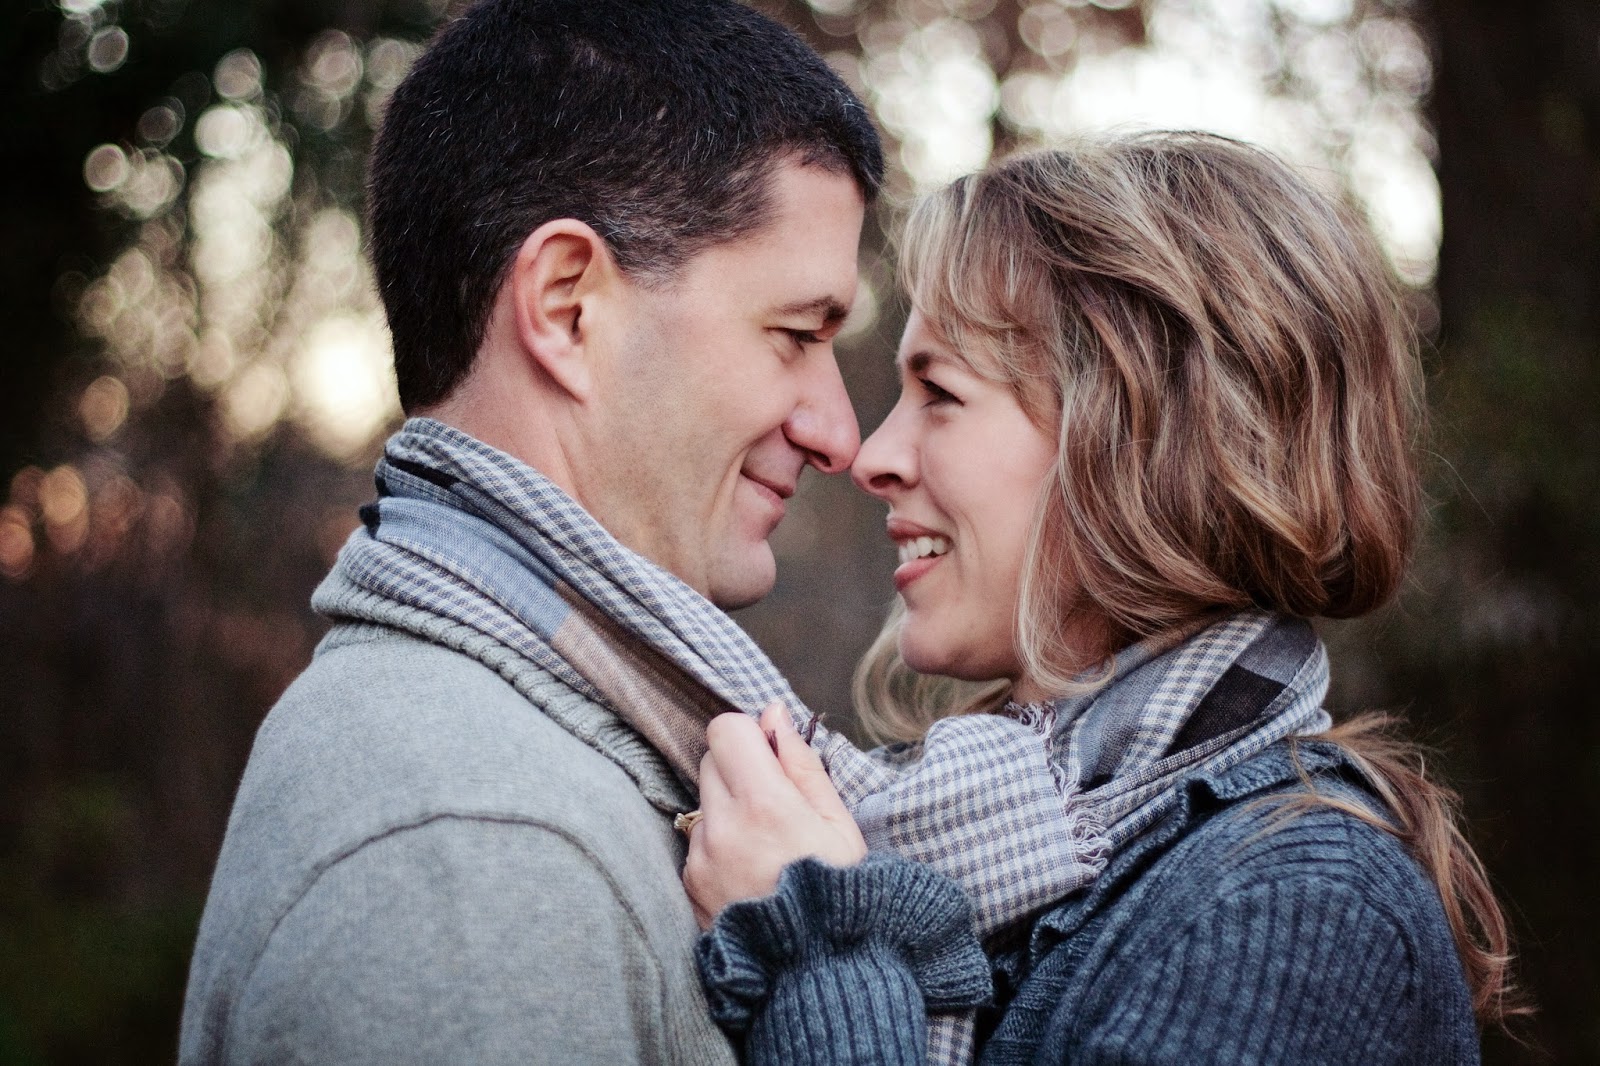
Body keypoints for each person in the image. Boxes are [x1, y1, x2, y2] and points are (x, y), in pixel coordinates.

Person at [682, 132, 1520, 1065]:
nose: (873, 455)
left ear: (1141, 446)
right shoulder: (1002, 840)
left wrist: (815, 952)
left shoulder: (1298, 907)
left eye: (941, 394)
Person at [178, 0, 883, 1062]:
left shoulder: (533, 766)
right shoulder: (475, 853)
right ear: (565, 307)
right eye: (793, 333)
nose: (838, 432)